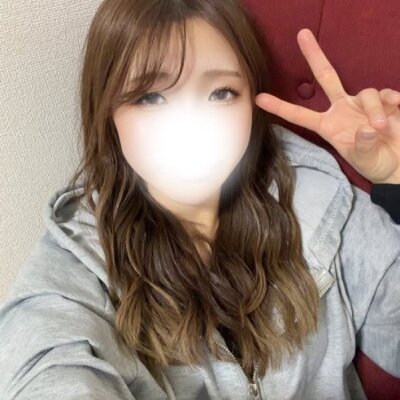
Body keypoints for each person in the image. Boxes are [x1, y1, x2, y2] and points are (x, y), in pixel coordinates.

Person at [0, 1, 399, 399]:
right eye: (150, 97)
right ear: (108, 113)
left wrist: (395, 179)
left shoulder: (319, 199)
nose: (189, 128)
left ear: (251, 102)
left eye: (221, 93)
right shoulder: (78, 264)